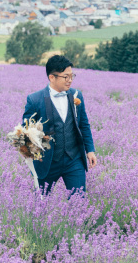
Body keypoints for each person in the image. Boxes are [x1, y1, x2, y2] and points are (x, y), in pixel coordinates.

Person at [21, 55, 96, 195]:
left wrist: (90, 150)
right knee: (41, 203)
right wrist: (31, 153)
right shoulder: (34, 100)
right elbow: (26, 132)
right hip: (47, 162)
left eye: (72, 76)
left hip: (74, 160)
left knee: (78, 202)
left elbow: (84, 125)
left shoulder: (76, 95)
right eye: (65, 77)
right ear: (52, 77)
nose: (70, 80)